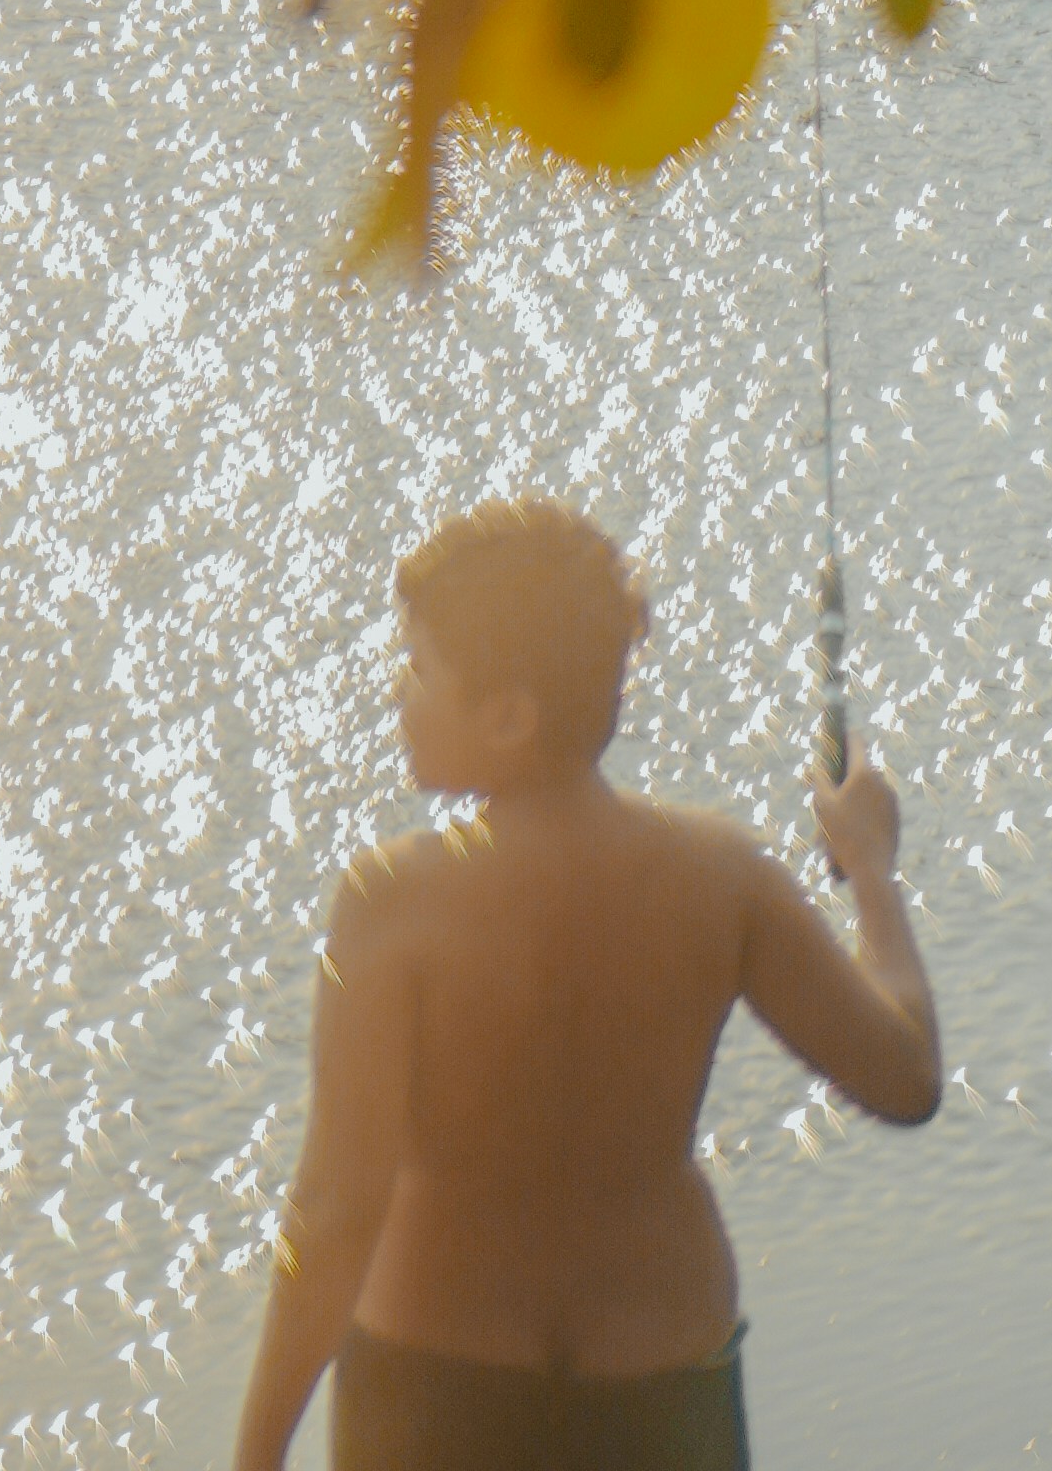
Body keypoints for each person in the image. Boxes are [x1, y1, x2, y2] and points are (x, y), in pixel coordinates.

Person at [230, 497, 941, 1471]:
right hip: (658, 1390)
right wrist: (869, 871)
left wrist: (257, 1452)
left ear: (510, 715)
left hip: (436, 1388)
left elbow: (334, 1210)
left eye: (420, 669)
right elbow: (905, 1077)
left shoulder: (395, 901)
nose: (397, 692)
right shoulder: (722, 876)